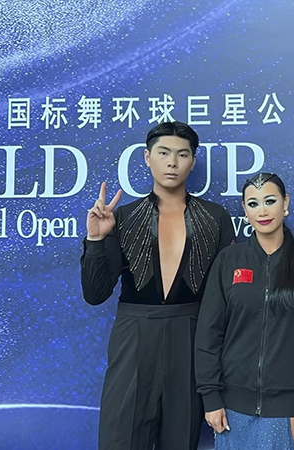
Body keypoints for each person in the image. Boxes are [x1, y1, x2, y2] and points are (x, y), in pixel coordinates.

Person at [80, 121, 235, 450]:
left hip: (191, 335)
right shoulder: (122, 217)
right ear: (147, 158)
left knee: (181, 439)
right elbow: (95, 294)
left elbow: (225, 298)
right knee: (120, 439)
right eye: (163, 153)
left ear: (193, 161)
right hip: (133, 337)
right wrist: (95, 240)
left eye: (182, 155)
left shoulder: (216, 217)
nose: (172, 162)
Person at [194, 172, 294, 450]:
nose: (263, 211)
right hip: (232, 406)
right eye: (253, 203)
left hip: (287, 405)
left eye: (270, 201)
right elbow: (208, 334)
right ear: (245, 210)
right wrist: (211, 398)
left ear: (285, 203)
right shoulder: (228, 261)